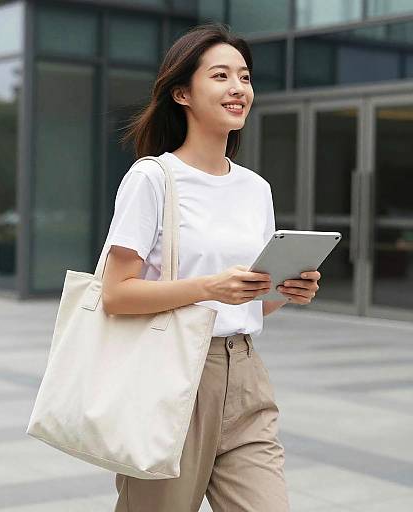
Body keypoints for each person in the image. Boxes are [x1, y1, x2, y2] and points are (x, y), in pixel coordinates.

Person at [102, 22, 321, 512]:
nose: (238, 88)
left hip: (244, 377)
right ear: (182, 92)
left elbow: (252, 306)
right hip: (172, 376)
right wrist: (208, 287)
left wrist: (284, 291)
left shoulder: (255, 189)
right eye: (220, 76)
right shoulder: (152, 178)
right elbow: (116, 294)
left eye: (244, 76)